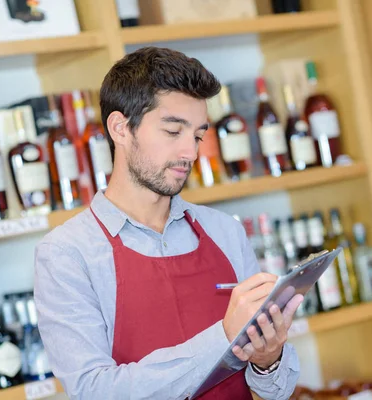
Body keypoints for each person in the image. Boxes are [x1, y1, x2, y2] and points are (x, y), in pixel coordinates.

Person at [34, 46, 303, 400]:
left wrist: (268, 359)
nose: (190, 153)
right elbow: (94, 391)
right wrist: (223, 337)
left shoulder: (225, 231)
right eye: (173, 131)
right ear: (120, 128)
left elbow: (275, 391)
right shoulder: (67, 255)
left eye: (197, 136)